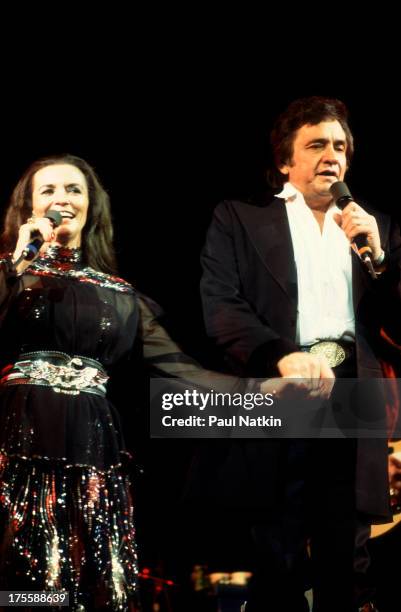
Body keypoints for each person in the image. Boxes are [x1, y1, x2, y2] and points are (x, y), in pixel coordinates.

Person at [0, 154, 299, 611]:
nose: (62, 199)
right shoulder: (12, 274)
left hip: (91, 442)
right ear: (28, 207)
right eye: (49, 191)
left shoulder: (118, 293)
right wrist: (17, 262)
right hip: (18, 434)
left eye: (74, 190)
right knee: (22, 569)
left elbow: (180, 370)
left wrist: (257, 392)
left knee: (84, 569)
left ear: (91, 206)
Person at [199, 97, 401, 612]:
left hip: (353, 391)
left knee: (347, 549)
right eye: (316, 145)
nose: (331, 155)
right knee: (275, 545)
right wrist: (278, 354)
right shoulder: (240, 218)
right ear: (286, 160)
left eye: (339, 146)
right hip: (280, 387)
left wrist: (380, 259)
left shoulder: (375, 227)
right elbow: (222, 306)